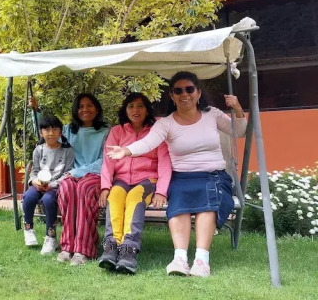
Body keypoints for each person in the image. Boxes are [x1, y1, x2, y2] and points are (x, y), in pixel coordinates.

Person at [107, 71, 246, 278]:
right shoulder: (166, 123)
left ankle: (201, 260)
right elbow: (148, 142)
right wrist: (127, 150)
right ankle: (180, 258)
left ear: (198, 92)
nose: (184, 94)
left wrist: (238, 109)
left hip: (213, 175)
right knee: (178, 203)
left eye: (189, 89)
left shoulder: (212, 114)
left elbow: (239, 131)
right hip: (181, 177)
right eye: (178, 90)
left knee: (207, 202)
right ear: (172, 96)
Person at [30, 93, 110, 265]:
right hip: (70, 176)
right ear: (76, 110)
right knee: (65, 188)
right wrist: (36, 111)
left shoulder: (105, 131)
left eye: (89, 105)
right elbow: (46, 134)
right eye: (81, 106)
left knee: (83, 189)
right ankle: (67, 246)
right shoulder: (67, 130)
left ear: (97, 109)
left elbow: (104, 160)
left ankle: (83, 249)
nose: (85, 109)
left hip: (94, 175)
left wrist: (78, 172)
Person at [97, 93, 172, 274]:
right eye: (131, 106)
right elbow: (108, 161)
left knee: (134, 199)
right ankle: (111, 247)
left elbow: (164, 163)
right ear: (125, 110)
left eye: (140, 106)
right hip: (121, 180)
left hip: (146, 181)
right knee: (114, 198)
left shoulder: (156, 132)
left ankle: (129, 251)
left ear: (147, 110)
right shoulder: (117, 131)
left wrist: (161, 191)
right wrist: (105, 187)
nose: (135, 110)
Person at [22, 115, 75, 255]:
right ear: (41, 133)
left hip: (56, 186)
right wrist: (34, 181)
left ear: (60, 132)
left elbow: (68, 173)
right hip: (39, 184)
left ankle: (50, 236)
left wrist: (52, 184)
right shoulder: (38, 150)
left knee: (48, 200)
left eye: (55, 129)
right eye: (46, 129)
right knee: (28, 196)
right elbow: (34, 171)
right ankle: (28, 229)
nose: (51, 133)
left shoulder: (67, 151)